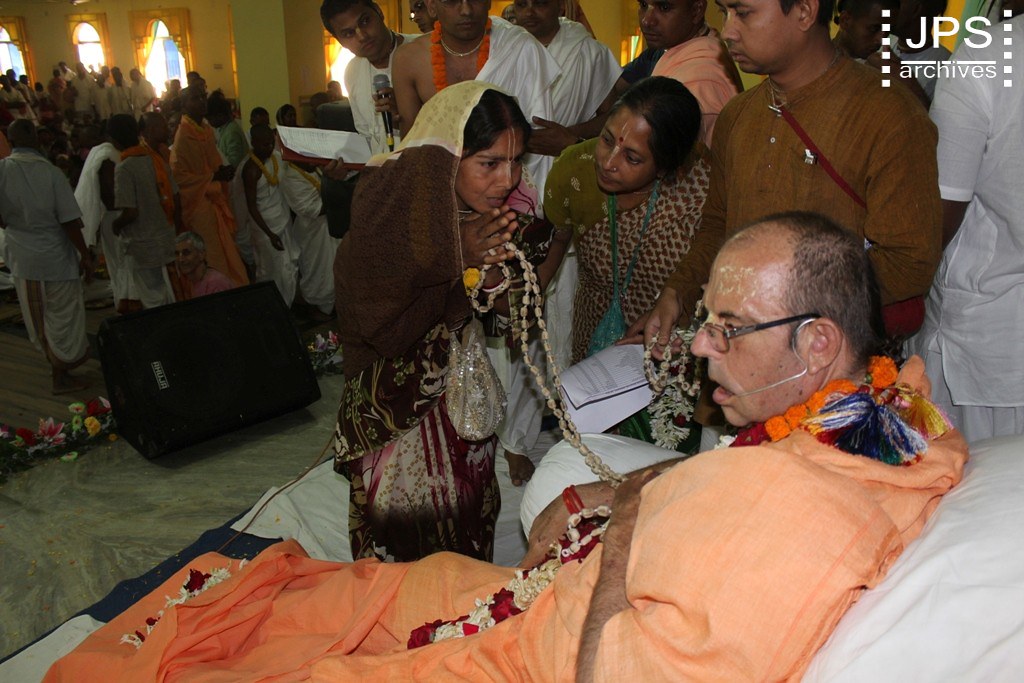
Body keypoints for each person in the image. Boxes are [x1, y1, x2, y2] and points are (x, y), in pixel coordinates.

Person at [44, 213, 968, 682]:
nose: (698, 345)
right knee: (350, 591)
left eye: (728, 327)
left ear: (818, 342)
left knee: (304, 658)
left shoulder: (804, 511)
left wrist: (628, 519)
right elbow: (723, 482)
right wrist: (614, 498)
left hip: (529, 654)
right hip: (546, 591)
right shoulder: (867, 417)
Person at [642, 0, 942, 350]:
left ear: (804, 11)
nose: (727, 32)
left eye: (743, 13)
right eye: (725, 13)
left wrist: (782, 299)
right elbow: (718, 227)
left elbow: (909, 261)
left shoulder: (890, 116)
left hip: (830, 355)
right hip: (737, 350)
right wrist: (678, 291)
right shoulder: (737, 116)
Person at [333, 81, 546, 563]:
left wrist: (497, 278)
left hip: (460, 388)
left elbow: (513, 312)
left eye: (516, 161)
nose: (507, 179)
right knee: (406, 530)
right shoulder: (387, 200)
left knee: (468, 507)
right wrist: (457, 250)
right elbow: (368, 306)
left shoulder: (497, 210)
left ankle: (459, 603)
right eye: (489, 163)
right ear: (447, 156)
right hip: (392, 400)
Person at [543, 77, 708, 449]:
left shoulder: (701, 189)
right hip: (595, 333)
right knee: (594, 447)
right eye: (606, 139)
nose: (608, 162)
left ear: (665, 168)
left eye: (632, 158)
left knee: (659, 453)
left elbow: (709, 273)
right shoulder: (574, 170)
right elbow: (552, 248)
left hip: (670, 343)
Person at [910, 14, 1024, 443]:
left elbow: (935, 220)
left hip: (983, 351)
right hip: (996, 350)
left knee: (964, 478)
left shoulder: (987, 57)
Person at [530, 0, 742, 156]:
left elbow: (654, 162)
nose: (647, 20)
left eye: (664, 7)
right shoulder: (662, 51)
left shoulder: (701, 76)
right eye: (643, 5)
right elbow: (618, 101)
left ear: (696, 10)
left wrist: (573, 145)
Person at [391, 0, 559, 185]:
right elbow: (411, 147)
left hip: (510, 182)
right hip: (438, 182)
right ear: (431, 6)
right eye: (451, 1)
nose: (466, 10)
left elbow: (538, 140)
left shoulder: (521, 49)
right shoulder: (408, 59)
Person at [0, 120, 93, 395]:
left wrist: (15, 227)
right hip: (55, 258)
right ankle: (60, 376)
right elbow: (69, 220)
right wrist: (85, 254)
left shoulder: (2, 170)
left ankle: (58, 372)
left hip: (23, 258)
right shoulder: (51, 173)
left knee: (39, 319)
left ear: (11, 142)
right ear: (36, 139)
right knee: (62, 317)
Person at [170, 86, 249, 287]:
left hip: (213, 199)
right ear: (184, 106)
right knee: (211, 253)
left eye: (203, 97)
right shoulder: (184, 135)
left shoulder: (204, 129)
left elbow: (212, 162)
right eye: (195, 98)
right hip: (198, 204)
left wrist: (222, 171)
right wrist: (214, 176)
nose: (202, 101)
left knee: (225, 248)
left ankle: (230, 287)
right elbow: (180, 178)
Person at [321, 0, 417, 155]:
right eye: (348, 33)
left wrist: (405, 116)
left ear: (379, 12)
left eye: (365, 21)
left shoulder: (425, 51)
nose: (362, 36)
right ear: (340, 41)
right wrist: (344, 164)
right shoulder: (352, 71)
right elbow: (366, 137)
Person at [112, 112, 180, 310]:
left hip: (143, 244)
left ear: (115, 140)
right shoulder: (156, 159)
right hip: (165, 237)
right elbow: (176, 199)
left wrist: (116, 225)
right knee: (166, 291)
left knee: (151, 298)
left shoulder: (125, 168)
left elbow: (131, 212)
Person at [238, 124, 299, 306]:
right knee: (272, 270)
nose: (270, 148)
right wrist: (270, 234)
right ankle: (273, 306)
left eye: (272, 143)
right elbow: (251, 207)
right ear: (254, 143)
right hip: (265, 228)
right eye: (265, 144)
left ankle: (288, 305)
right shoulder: (250, 169)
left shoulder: (275, 158)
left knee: (289, 266)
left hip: (282, 219)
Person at [73, 118, 130, 309]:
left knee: (121, 266)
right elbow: (110, 197)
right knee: (122, 265)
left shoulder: (106, 152)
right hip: (116, 217)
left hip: (115, 216)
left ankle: (125, 300)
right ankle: (126, 302)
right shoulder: (106, 155)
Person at [279, 157, 339, 321]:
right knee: (317, 270)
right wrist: (340, 194)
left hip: (328, 227)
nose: (313, 162)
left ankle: (332, 304)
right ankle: (315, 308)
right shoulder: (290, 177)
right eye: (309, 159)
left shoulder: (312, 168)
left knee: (332, 267)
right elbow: (313, 209)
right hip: (312, 232)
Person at [174, 231, 235, 297]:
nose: (180, 259)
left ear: (201, 254)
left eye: (186, 253)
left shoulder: (216, 283)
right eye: (177, 254)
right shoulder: (193, 282)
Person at [206, 91, 249, 167]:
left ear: (220, 116)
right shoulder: (225, 128)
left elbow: (234, 162)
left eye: (210, 119)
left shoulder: (231, 132)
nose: (209, 122)